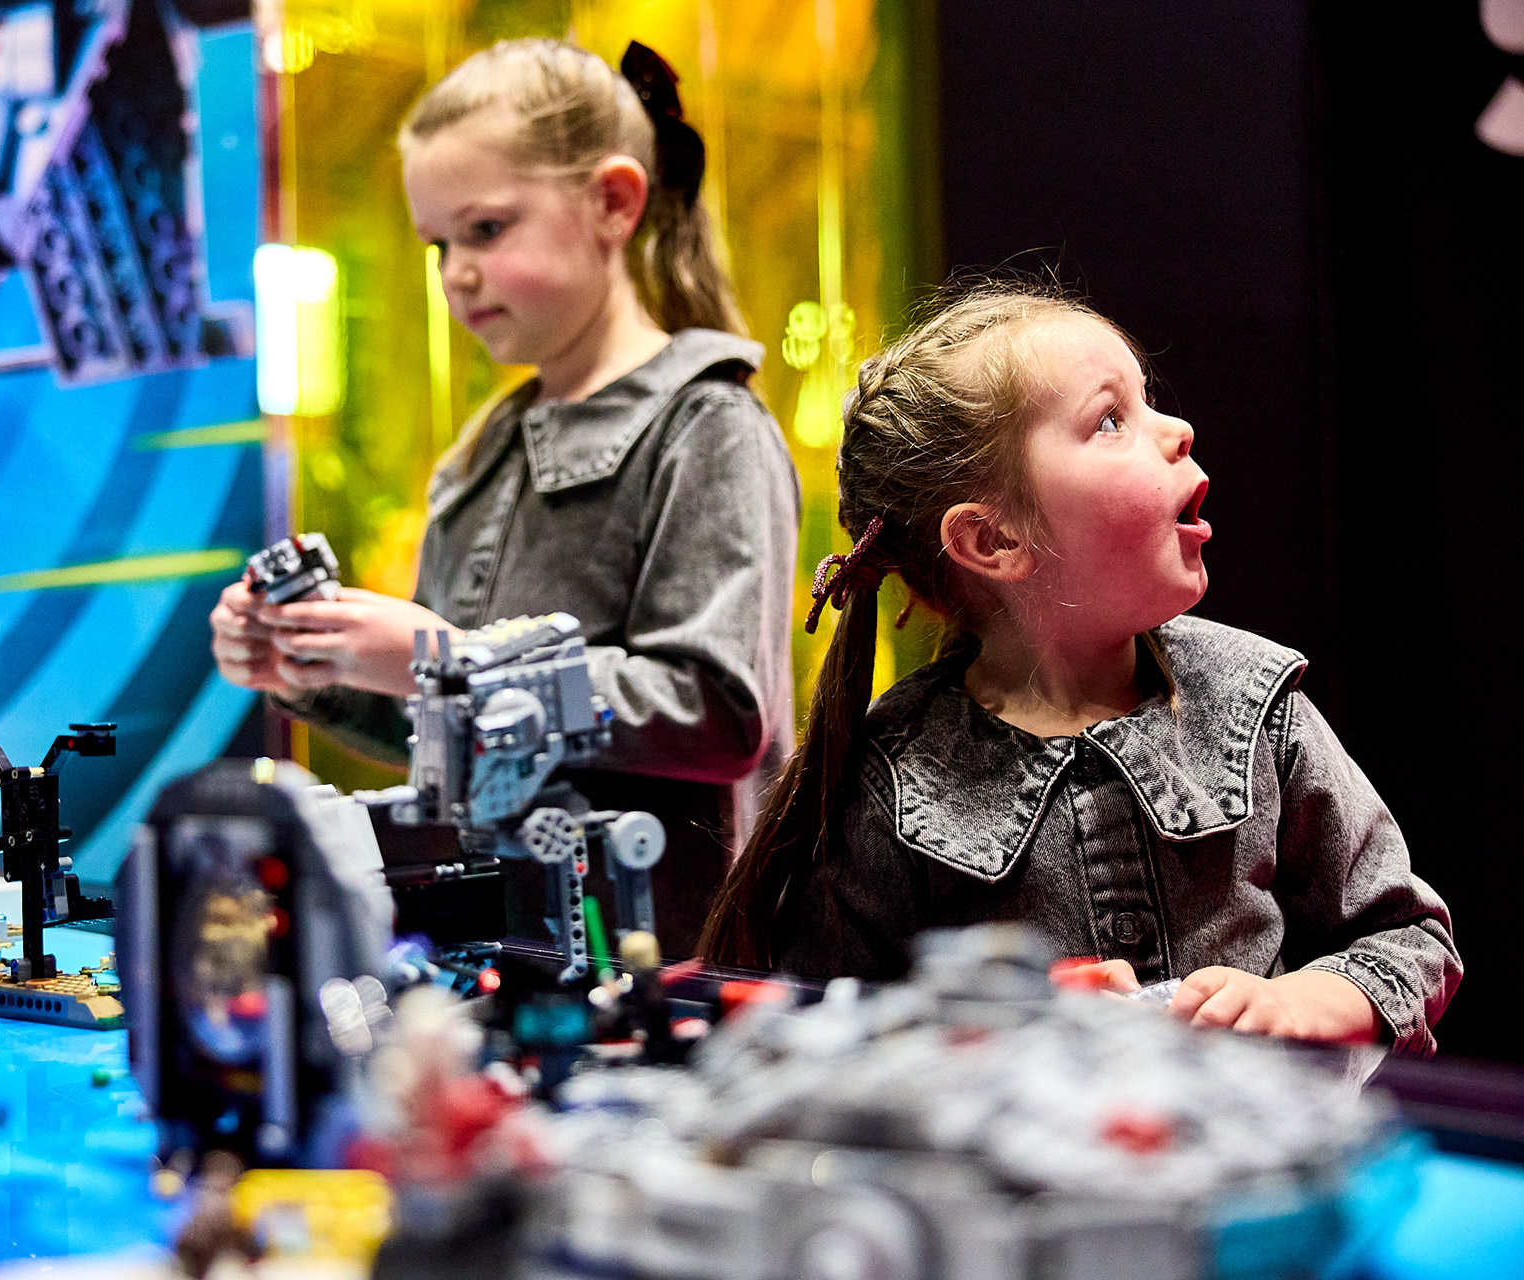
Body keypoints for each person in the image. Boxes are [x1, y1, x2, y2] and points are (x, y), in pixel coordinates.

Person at [700, 281, 1461, 1055]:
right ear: (994, 541)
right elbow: (827, 1051)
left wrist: (1305, 1001)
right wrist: (994, 1032)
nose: (1178, 430)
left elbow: (1406, 937)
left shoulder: (1256, 705)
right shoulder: (887, 786)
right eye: (1110, 420)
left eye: (1146, 400)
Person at [210, 39, 800, 956]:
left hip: (664, 963)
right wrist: (312, 660)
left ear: (613, 202)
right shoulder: (479, 455)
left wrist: (450, 660)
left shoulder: (707, 424)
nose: (456, 272)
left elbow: (719, 713)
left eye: (486, 229)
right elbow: (449, 741)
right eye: (440, 244)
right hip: (488, 951)